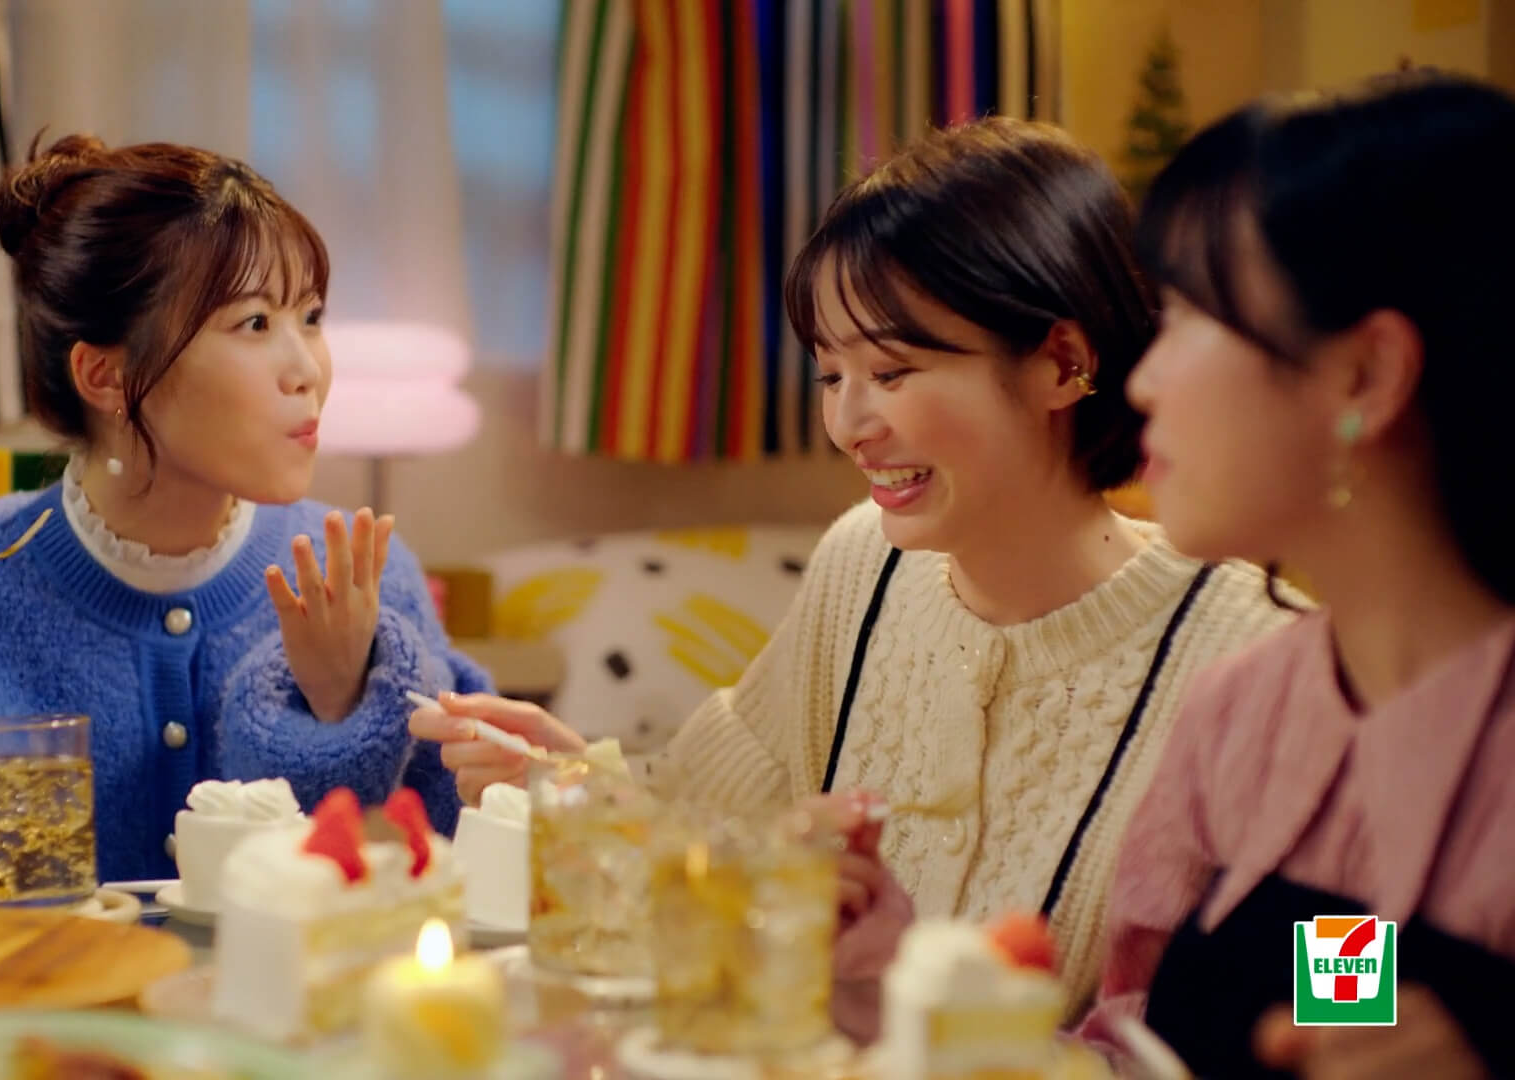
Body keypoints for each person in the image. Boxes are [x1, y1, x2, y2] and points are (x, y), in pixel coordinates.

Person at [413, 116, 1294, 1025]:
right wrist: (575, 781)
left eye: (893, 371)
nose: (849, 425)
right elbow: (720, 825)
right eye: (833, 376)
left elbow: (1345, 993)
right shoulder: (862, 561)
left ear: (1062, 364)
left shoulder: (1260, 661)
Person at [0, 135, 486, 906]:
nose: (308, 369)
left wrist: (344, 708)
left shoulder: (363, 579)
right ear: (105, 374)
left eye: (310, 316)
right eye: (255, 324)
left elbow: (443, 886)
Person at [1084, 70, 1515, 1078]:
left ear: (1366, 375)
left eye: (1183, 315)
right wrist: (891, 987)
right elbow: (1324, 983)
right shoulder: (1248, 711)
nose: (1141, 380)